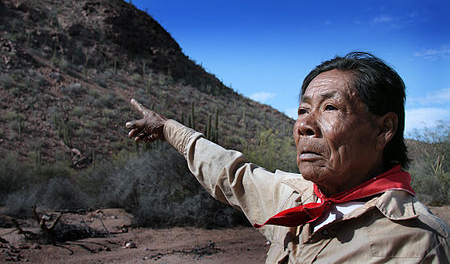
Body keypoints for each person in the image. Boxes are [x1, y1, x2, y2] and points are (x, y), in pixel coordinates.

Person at [126, 52, 449, 263]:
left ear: (383, 129)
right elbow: (228, 172)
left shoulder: (418, 243)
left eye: (330, 108)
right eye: (303, 110)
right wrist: (168, 129)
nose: (304, 125)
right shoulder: (296, 197)